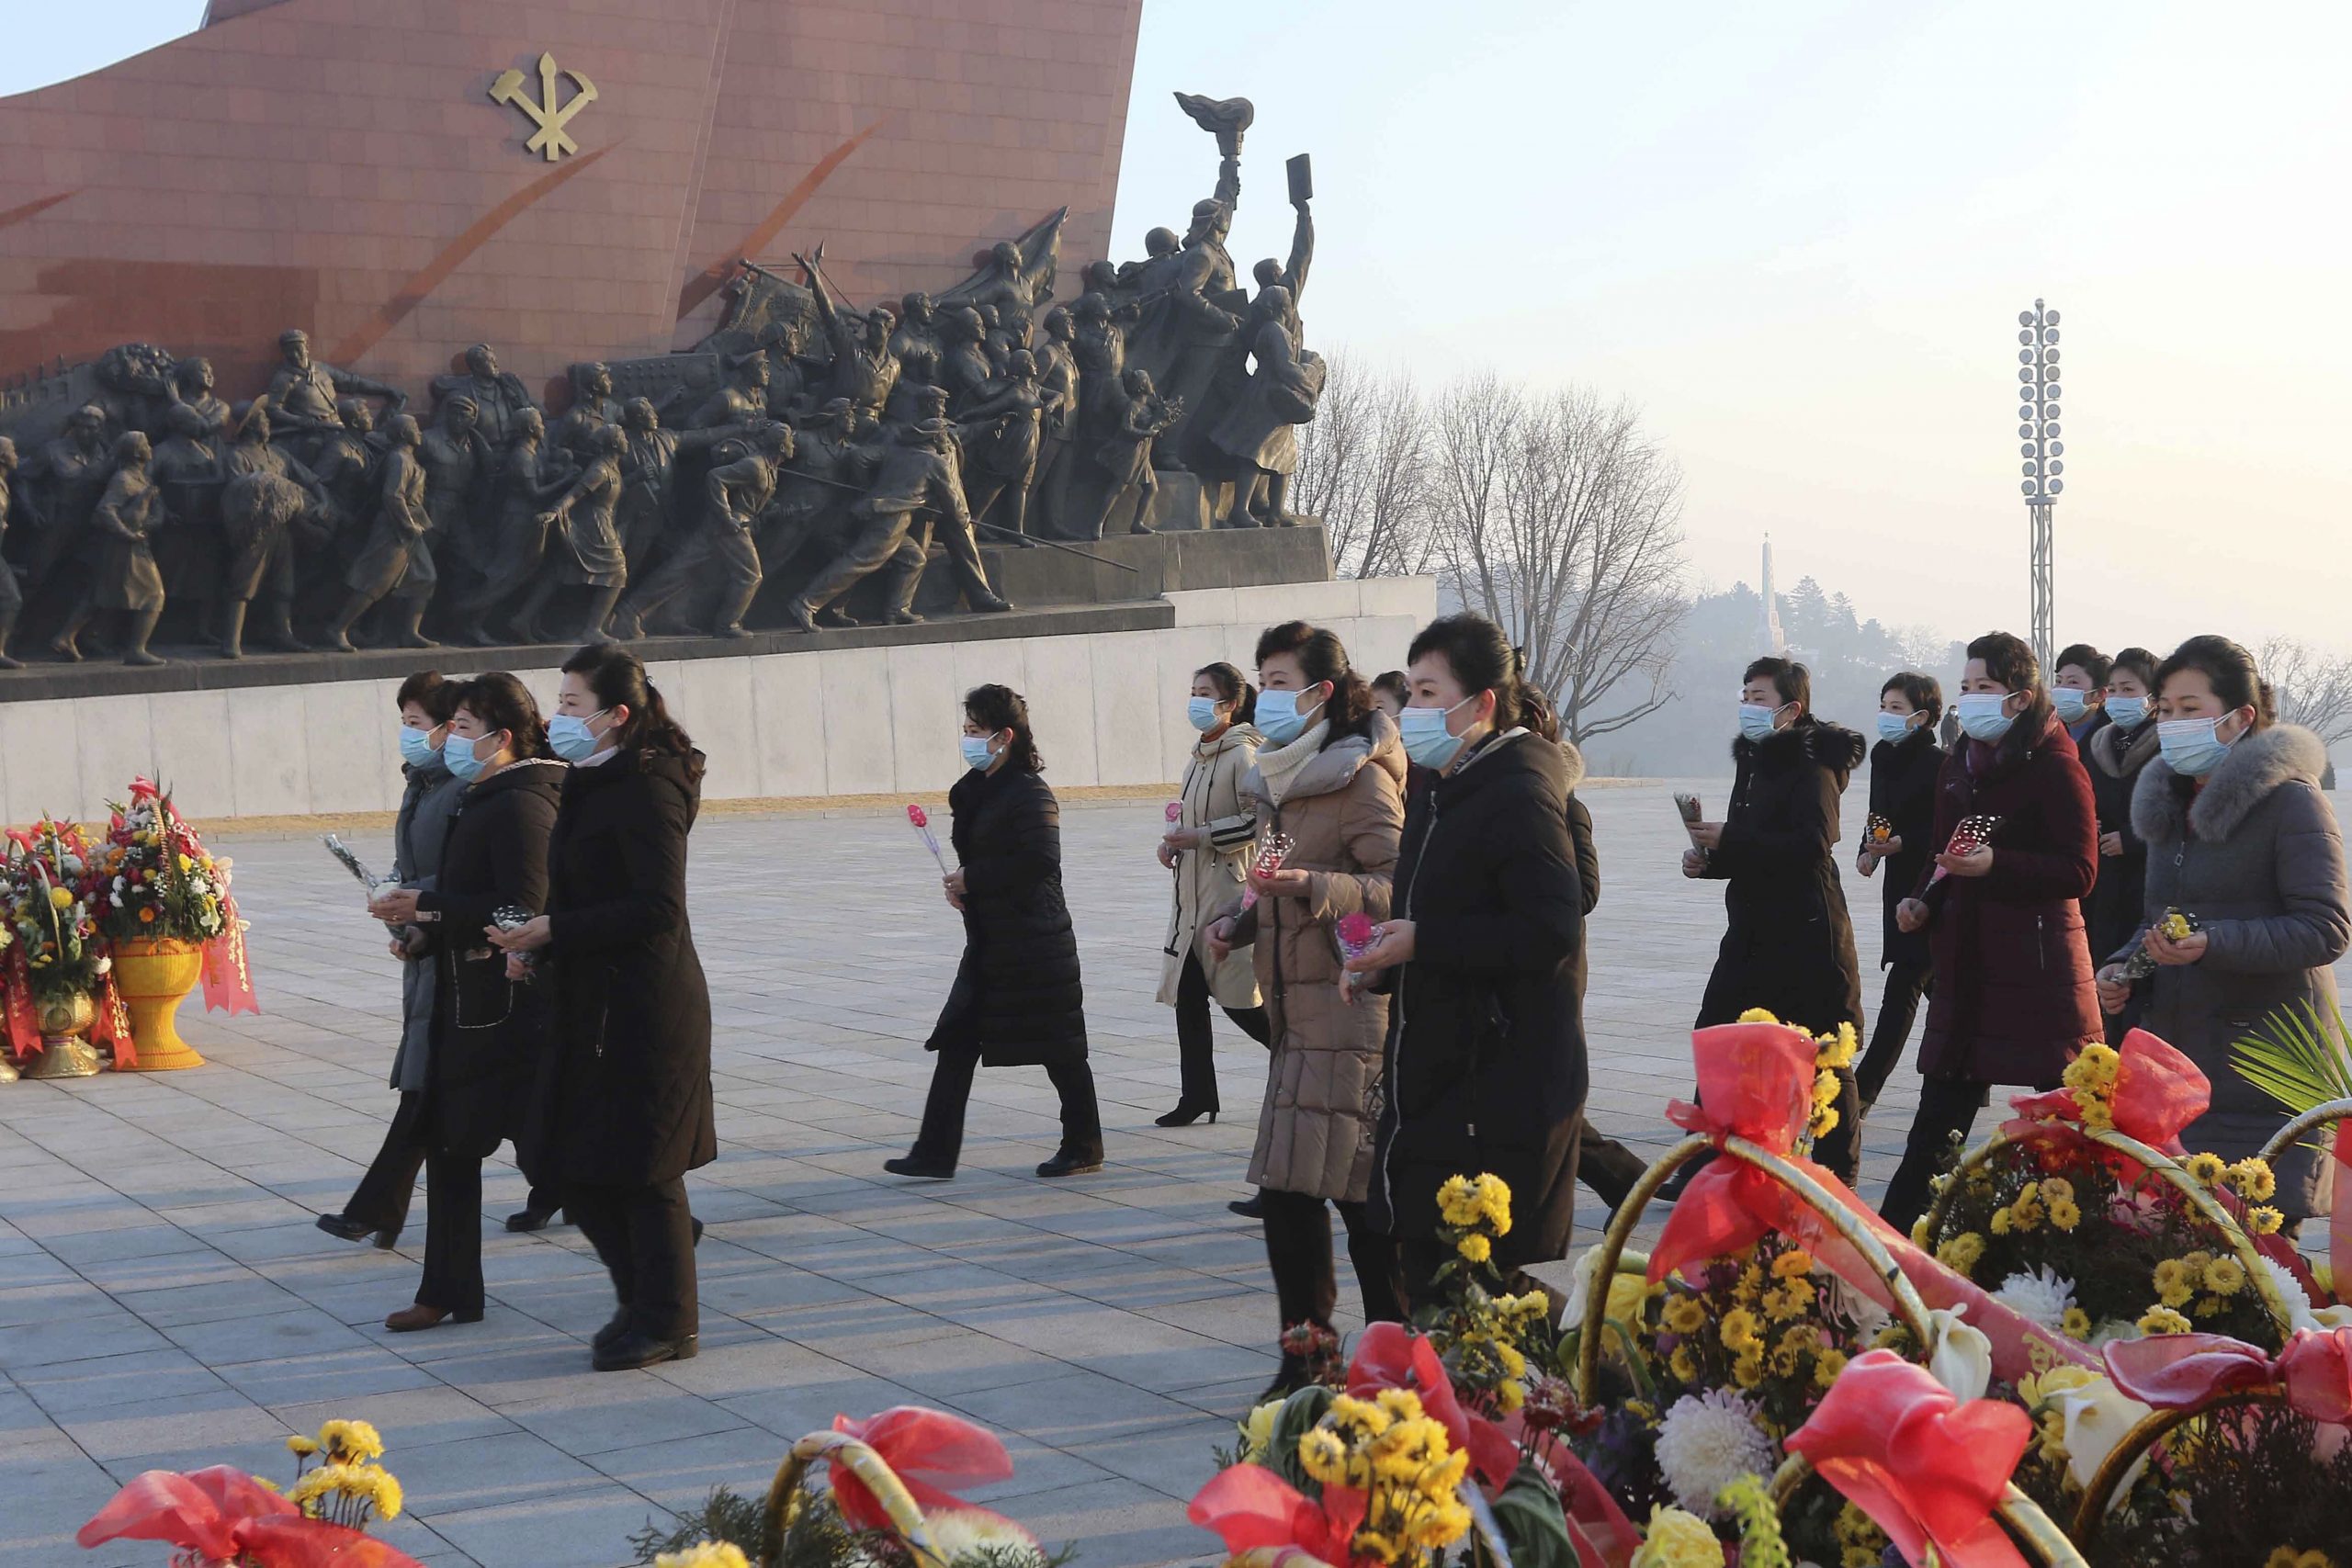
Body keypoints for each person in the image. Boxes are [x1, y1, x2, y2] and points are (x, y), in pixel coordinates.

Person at [488, 646, 718, 1369]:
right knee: (570, 1165)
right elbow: (581, 887)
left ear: (617, 716)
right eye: (558, 703)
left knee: (645, 1172)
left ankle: (669, 1321)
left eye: (572, 705)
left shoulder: (650, 787)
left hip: (645, 1005)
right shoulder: (591, 780)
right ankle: (638, 1299)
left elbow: (656, 908)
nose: (558, 717)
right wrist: (536, 943)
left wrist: (556, 928)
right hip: (588, 997)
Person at [1353, 614, 1586, 1306]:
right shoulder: (1441, 783)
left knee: (1491, 1302)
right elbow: (1428, 908)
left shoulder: (1518, 790)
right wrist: (1386, 956)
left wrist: (1426, 941)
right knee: (1431, 1281)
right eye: (1411, 692)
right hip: (1441, 1076)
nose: (1412, 710)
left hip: (1500, 1091)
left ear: (1482, 703)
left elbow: (1551, 931)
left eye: (1428, 694)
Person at [1203, 621, 1406, 1388]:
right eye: (1264, 677)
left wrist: (1317, 890)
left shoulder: (1362, 779)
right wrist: (1242, 920)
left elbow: (1397, 889)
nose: (1270, 693)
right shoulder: (1278, 783)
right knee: (1302, 1190)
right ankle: (1317, 1354)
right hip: (1296, 1009)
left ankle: (1384, 1353)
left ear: (1322, 692)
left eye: (1282, 679)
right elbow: (1274, 875)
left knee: (1344, 1196)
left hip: (1352, 1003)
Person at [2097, 636, 2348, 1222]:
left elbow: (2325, 927)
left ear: (2241, 717)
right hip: (2183, 1067)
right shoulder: (2168, 805)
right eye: (2166, 710)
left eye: (2191, 709)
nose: (2173, 723)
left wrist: (2213, 942)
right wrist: (2127, 967)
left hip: (2264, 1068)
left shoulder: (2291, 803)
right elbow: (2162, 918)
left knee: (2256, 1269)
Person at [1880, 633, 2101, 1231]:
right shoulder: (1960, 762)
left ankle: (2091, 1243)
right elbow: (1941, 850)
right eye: (1967, 687)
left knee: (2067, 1124)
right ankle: (1896, 1246)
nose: (1972, 698)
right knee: (1936, 1121)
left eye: (1986, 688)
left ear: (2020, 698)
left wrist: (1998, 864)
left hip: (2038, 968)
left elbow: (2080, 870)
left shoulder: (2056, 765)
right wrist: (1922, 898)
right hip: (1966, 959)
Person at [365, 674, 564, 1331]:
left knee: (558, 1154)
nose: (450, 739)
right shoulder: (479, 795)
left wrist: (428, 903)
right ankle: (449, 1290)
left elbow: (521, 905)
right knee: (451, 1149)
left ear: (503, 737)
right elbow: (468, 901)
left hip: (505, 1010)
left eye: (463, 727)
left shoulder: (522, 802)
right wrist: (423, 929)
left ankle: (663, 1236)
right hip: (462, 999)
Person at [886, 685, 1104, 1181]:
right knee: (957, 1038)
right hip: (990, 939)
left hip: (1035, 940)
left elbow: (1041, 859)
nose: (968, 739)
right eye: (965, 731)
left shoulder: (1029, 791)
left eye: (977, 732)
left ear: (1005, 737)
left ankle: (1084, 1143)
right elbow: (980, 857)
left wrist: (976, 879)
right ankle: (934, 1152)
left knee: (1060, 1047)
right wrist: (963, 887)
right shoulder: (971, 789)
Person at [1676, 658, 1866, 1187]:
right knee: (1717, 1035)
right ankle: (1703, 1161)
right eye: (1744, 695)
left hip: (1808, 924)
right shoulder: (1755, 757)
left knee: (1823, 1044)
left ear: (1791, 708)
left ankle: (1837, 1172)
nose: (1747, 706)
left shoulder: (1813, 762)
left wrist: (1731, 840)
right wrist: (1710, 861)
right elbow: (1752, 842)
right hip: (1752, 923)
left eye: (1758, 697)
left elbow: (1813, 844)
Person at [317, 672, 465, 1248]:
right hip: (432, 951)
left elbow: (465, 879)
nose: (405, 735)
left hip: (469, 962)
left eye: (414, 724)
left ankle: (376, 1208)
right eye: (403, 723)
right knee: (429, 1092)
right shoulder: (423, 783)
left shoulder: (462, 787)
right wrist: (408, 919)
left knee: (441, 1094)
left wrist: (418, 907)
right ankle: (383, 1208)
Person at [1519, 682, 1645, 1216]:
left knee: (1545, 1098)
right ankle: (1625, 1181)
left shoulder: (1566, 805)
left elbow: (1585, 892)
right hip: (1505, 960)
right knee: (1532, 1096)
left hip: (1549, 966)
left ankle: (1626, 1179)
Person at [1155, 662, 1270, 1127]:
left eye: (1207, 693)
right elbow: (1191, 820)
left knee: (1241, 1001)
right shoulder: (1198, 757)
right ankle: (1197, 1095)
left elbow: (1254, 823)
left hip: (1226, 894)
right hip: (1191, 895)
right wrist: (1172, 843)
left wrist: (1200, 837)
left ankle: (1304, 1059)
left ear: (1231, 704)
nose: (1197, 701)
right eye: (1193, 690)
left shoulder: (1244, 756)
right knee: (1187, 995)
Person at [1840, 672, 1946, 1162]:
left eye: (1897, 706)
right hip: (1896, 882)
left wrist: (1904, 843)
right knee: (1938, 986)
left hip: (1930, 882)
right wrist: (1869, 849)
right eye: (1884, 704)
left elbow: (1943, 829)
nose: (1887, 714)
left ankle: (1863, 1091)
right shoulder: (1883, 756)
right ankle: (1971, 1073)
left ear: (1923, 717)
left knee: (1905, 982)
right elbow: (1878, 811)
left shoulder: (1939, 762)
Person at [2085, 647, 2161, 1043]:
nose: (2118, 698)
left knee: (2145, 983)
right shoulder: (2100, 744)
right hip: (2107, 883)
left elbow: (2178, 817)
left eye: (2129, 689)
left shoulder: (2167, 745)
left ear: (2152, 697)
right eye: (2112, 689)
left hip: (2148, 879)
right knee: (2107, 976)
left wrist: (2131, 840)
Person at [2052, 643, 2111, 750]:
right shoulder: (2047, 734)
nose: (2062, 688)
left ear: (2100, 694)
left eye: (2073, 682)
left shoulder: (2111, 741)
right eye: (2058, 681)